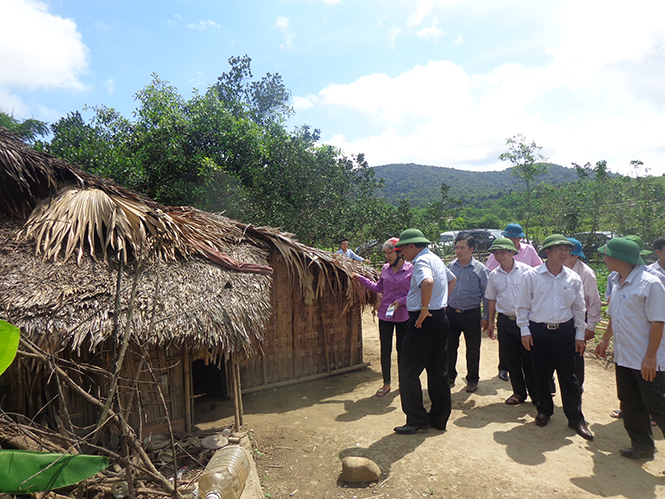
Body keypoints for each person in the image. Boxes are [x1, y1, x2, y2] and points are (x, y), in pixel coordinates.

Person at [516, 234, 593, 440]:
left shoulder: (573, 278)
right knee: (540, 373)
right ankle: (544, 410)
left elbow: (579, 308)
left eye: (567, 250)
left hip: (565, 332)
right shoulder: (531, 276)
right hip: (539, 331)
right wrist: (525, 331)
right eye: (559, 249)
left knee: (569, 376)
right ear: (547, 252)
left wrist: (579, 335)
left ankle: (576, 418)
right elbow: (522, 306)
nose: (564, 253)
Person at [595, 238, 665, 459]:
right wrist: (606, 339)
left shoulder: (650, 283)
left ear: (618, 259)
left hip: (646, 359)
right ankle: (642, 445)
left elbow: (658, 321)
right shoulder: (617, 280)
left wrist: (651, 357)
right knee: (630, 402)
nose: (603, 259)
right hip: (624, 356)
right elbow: (616, 315)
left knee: (658, 406)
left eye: (606, 255)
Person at [393, 228, 457, 434]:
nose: (402, 252)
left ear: (413, 246)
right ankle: (439, 418)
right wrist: (439, 303)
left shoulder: (420, 262)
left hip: (423, 321)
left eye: (403, 248)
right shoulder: (435, 258)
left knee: (408, 371)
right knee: (438, 371)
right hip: (440, 317)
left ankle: (416, 419)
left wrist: (423, 309)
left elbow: (427, 282)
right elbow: (452, 279)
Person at [352, 238, 413, 397]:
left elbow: (414, 295)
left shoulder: (411, 270)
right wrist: (360, 278)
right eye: (385, 253)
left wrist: (400, 302)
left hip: (403, 316)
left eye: (389, 253)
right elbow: (378, 287)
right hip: (385, 315)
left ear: (400, 253)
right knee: (385, 349)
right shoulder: (385, 269)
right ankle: (386, 383)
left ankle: (403, 381)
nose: (386, 256)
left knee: (403, 350)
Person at [485, 223, 542, 381]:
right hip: (505, 316)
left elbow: (539, 271)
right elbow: (491, 295)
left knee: (529, 353)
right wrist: (490, 320)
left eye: (513, 237)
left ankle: (535, 390)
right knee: (508, 352)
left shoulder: (527, 270)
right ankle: (511, 379)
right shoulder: (495, 274)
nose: (499, 255)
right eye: (497, 253)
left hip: (526, 316)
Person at [446, 234, 489, 393]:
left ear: (471, 249)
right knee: (449, 346)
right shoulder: (450, 267)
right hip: (451, 313)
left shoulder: (480, 269)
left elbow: (487, 295)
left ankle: (472, 379)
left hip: (471, 314)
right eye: (456, 247)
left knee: (473, 348)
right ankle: (450, 376)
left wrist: (486, 317)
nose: (458, 251)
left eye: (462, 247)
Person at [563, 237, 602, 391]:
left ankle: (576, 388)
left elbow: (594, 302)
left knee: (576, 356)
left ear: (576, 256)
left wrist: (590, 327)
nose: (562, 255)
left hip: (578, 319)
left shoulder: (586, 274)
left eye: (566, 253)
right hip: (558, 318)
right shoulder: (556, 269)